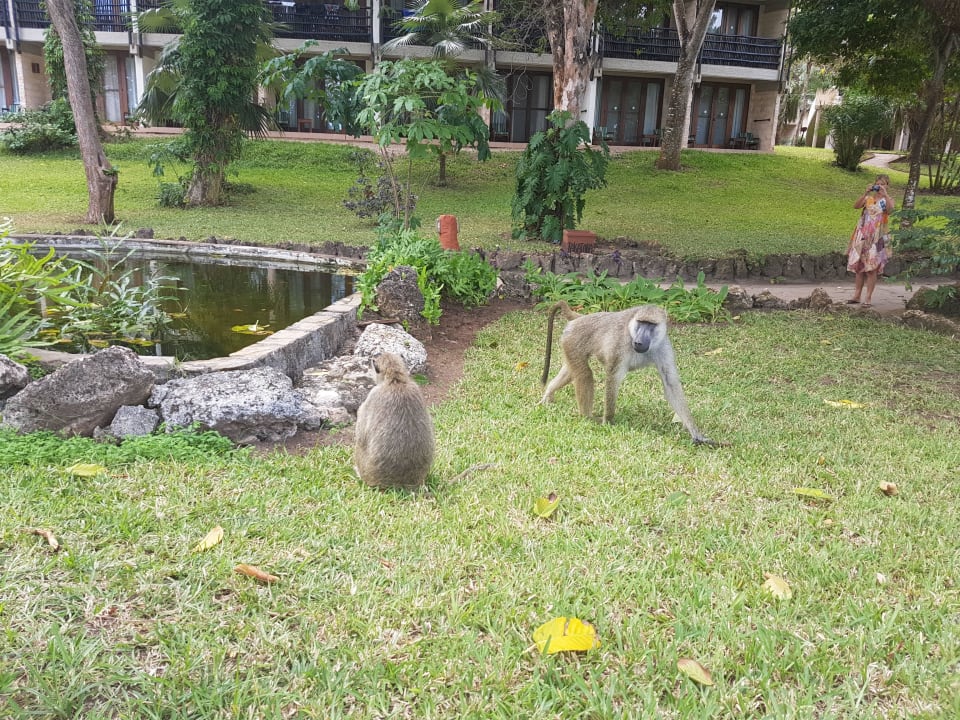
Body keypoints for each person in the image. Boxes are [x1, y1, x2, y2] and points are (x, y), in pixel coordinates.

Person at [846, 174, 894, 307]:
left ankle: (868, 298)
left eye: (883, 184)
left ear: (887, 186)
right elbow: (856, 206)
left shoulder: (887, 200)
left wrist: (885, 195)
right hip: (863, 235)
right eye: (878, 184)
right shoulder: (869, 198)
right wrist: (865, 192)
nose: (880, 186)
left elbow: (890, 211)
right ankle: (856, 295)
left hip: (877, 237)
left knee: (872, 268)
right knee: (859, 266)